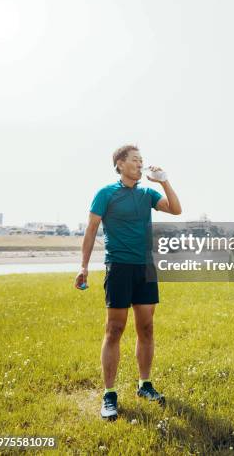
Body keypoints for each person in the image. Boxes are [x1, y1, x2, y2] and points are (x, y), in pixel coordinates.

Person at [74, 144, 182, 421]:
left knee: (146, 327)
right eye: (135, 160)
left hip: (144, 268)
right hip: (119, 267)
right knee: (114, 329)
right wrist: (83, 266)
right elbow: (91, 230)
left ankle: (144, 385)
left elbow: (176, 209)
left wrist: (164, 180)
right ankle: (109, 393)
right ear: (120, 164)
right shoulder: (105, 194)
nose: (140, 164)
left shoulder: (147, 193)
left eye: (141, 160)